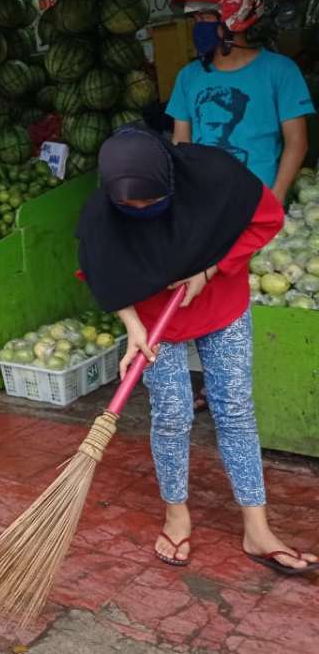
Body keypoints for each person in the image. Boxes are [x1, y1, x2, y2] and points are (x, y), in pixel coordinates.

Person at [76, 128, 317, 576]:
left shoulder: (214, 176)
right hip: (155, 323)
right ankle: (176, 514)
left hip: (221, 303)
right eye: (132, 208)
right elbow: (100, 271)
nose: (143, 213)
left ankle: (257, 527)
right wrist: (132, 328)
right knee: (170, 415)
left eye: (153, 201)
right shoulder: (101, 214)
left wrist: (211, 269)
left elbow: (265, 219)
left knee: (235, 409)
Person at [169, 0, 314, 203]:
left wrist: (274, 199)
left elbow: (297, 142)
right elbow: (181, 144)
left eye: (206, 18)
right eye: (195, 20)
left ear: (236, 17)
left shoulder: (280, 71)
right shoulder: (188, 77)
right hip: (208, 205)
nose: (198, 27)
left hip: (262, 202)